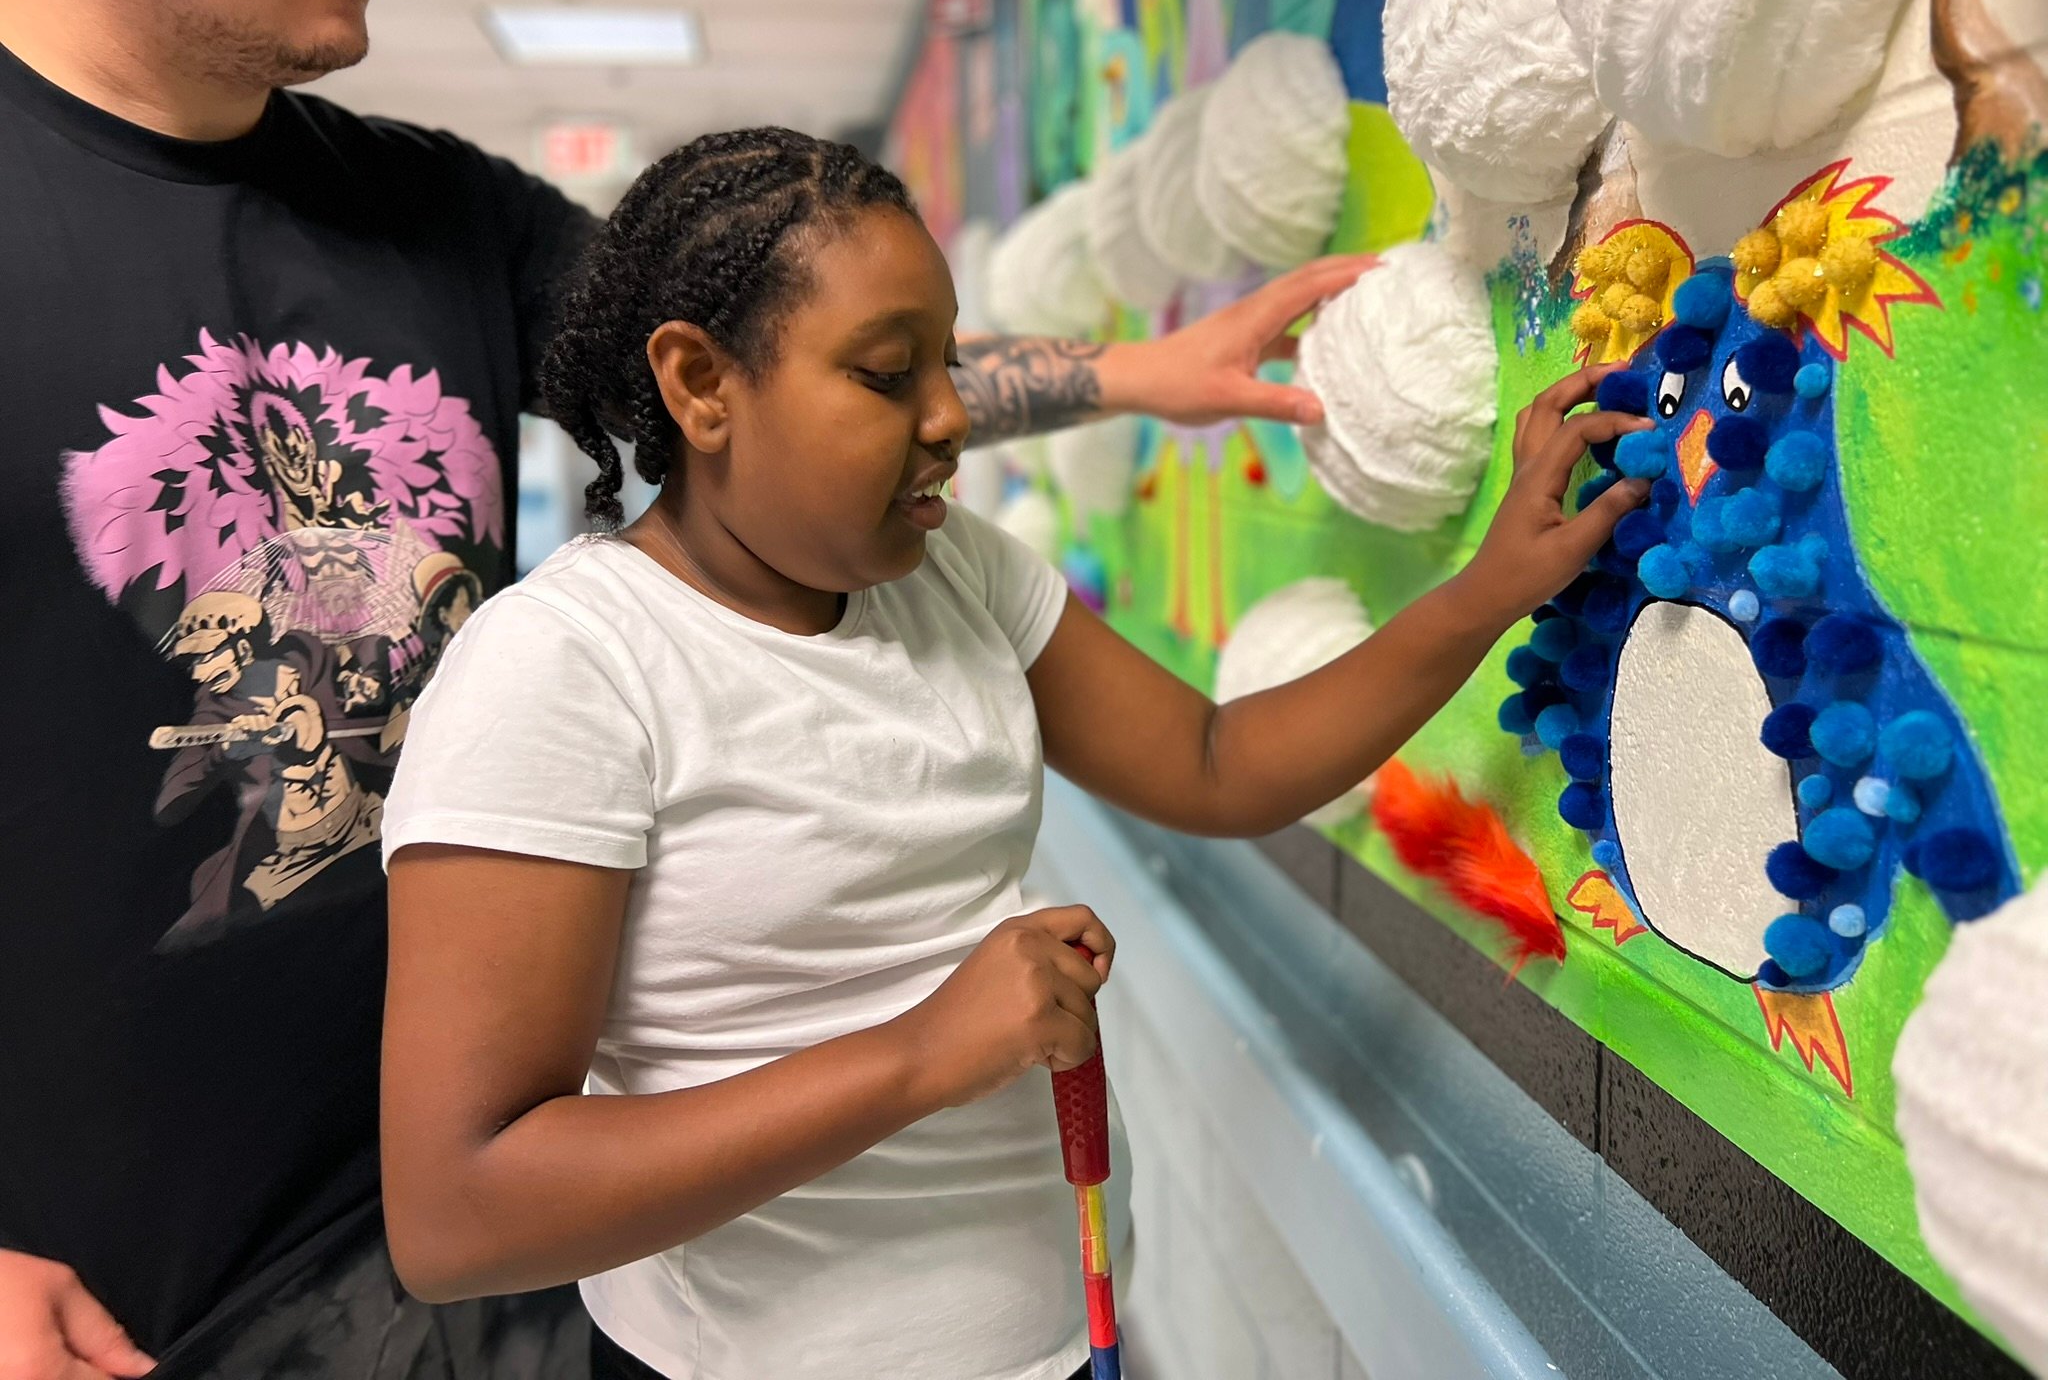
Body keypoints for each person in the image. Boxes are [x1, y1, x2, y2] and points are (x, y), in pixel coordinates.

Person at [0, 0, 1368, 1375]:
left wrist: (1121, 378)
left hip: (538, 1225)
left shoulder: (431, 208)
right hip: (116, 1278)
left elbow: (786, 359)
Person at [376, 128, 1652, 1380]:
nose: (947, 418)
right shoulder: (560, 670)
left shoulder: (950, 570)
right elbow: (461, 1214)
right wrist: (925, 1055)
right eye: (886, 375)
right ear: (700, 385)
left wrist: (1484, 590)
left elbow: (1214, 761)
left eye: (943, 362)